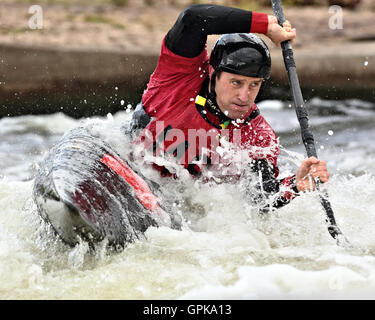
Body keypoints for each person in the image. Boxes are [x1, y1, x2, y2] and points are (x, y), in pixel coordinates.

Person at [127, 3, 330, 211]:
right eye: (236, 83)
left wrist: (295, 185)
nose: (244, 96)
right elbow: (193, 18)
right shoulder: (179, 77)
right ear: (213, 73)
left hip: (178, 209)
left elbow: (260, 199)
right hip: (129, 165)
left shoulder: (258, 135)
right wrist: (265, 26)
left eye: (254, 85)